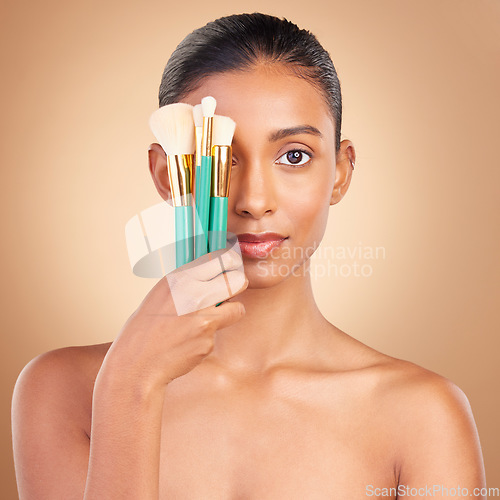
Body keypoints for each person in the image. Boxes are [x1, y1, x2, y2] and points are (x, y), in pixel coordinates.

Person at [11, 12, 486, 499]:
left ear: (341, 173)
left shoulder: (423, 415)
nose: (254, 200)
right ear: (168, 175)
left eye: (294, 155)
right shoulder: (65, 393)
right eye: (220, 159)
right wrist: (130, 385)